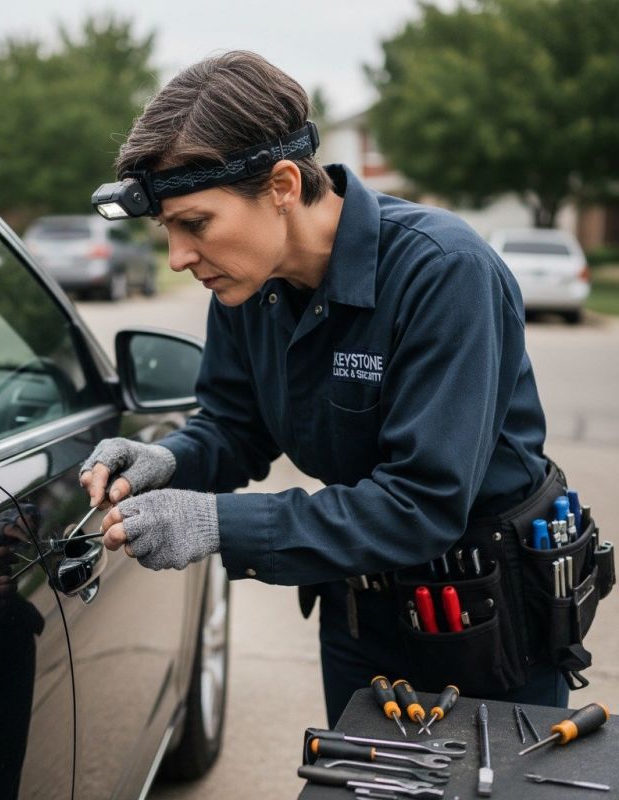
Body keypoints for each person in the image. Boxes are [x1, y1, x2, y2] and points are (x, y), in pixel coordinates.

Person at [80, 50, 574, 726]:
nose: (178, 256)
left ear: (282, 184)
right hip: (356, 608)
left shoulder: (443, 273)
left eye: (195, 224)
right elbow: (234, 426)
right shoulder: (245, 286)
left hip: (484, 618)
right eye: (167, 229)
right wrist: (171, 461)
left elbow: (420, 504)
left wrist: (215, 523)